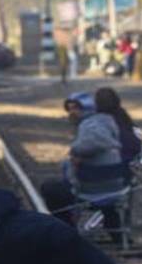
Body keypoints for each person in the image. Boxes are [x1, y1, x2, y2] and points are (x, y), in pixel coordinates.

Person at [39, 92, 125, 227]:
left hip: (91, 191)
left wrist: (75, 150)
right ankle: (117, 234)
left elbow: (93, 142)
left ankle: (66, 228)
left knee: (50, 188)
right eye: (70, 108)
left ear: (87, 108)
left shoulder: (90, 125)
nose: (71, 112)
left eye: (76, 108)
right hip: (116, 188)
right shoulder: (108, 121)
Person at [94, 87, 142, 164]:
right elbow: (138, 137)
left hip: (105, 164)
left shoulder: (94, 120)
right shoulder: (123, 116)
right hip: (129, 160)